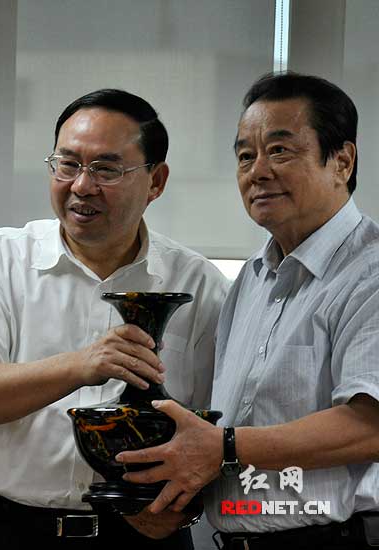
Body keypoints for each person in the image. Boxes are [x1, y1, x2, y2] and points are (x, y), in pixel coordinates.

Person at [115, 72, 379, 550]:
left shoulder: (370, 272)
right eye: (244, 156)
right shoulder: (251, 278)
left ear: (342, 161)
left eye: (279, 150)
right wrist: (175, 494)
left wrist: (225, 447)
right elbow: (233, 425)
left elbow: (368, 427)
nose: (257, 171)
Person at [0, 88, 229, 549]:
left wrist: (186, 504)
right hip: (7, 528)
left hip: (145, 534)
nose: (81, 186)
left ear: (156, 181)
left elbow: (225, 426)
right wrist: (81, 365)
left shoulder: (200, 284)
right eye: (67, 164)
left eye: (106, 169)